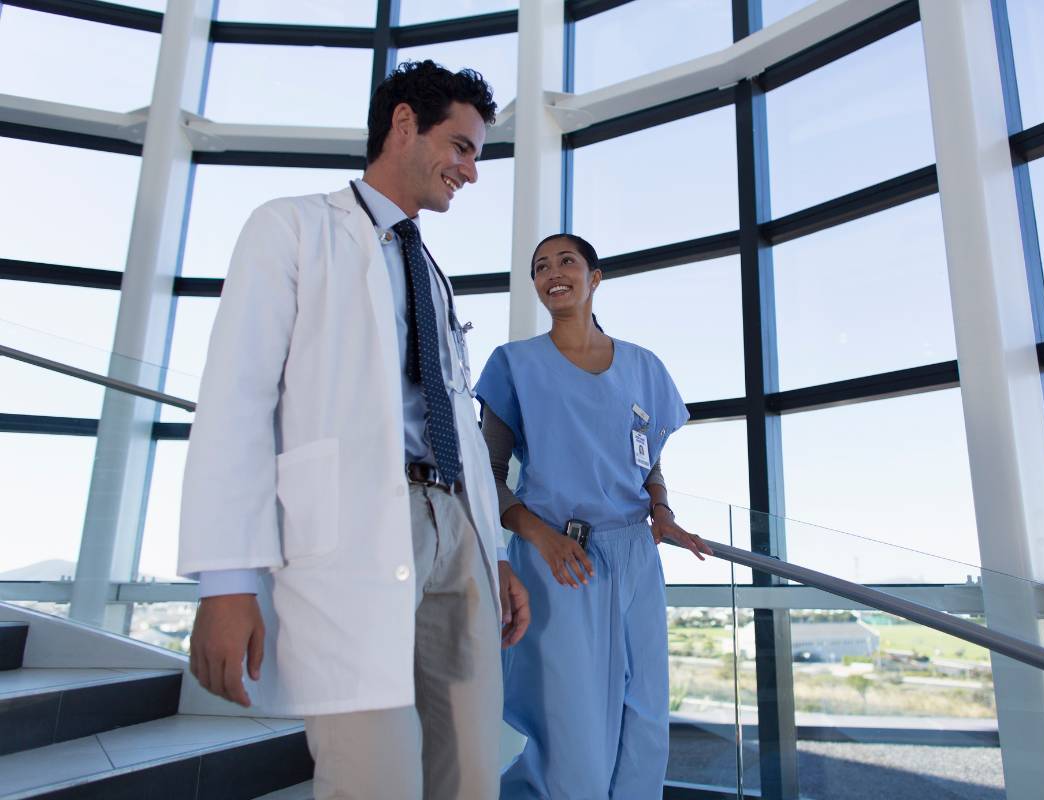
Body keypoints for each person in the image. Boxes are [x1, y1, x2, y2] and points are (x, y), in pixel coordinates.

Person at [177, 60, 530, 800]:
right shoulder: (293, 227)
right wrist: (227, 580)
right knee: (377, 778)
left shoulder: (429, 270)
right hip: (357, 528)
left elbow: (455, 420)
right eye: (462, 146)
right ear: (405, 124)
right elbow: (236, 401)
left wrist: (491, 550)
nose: (471, 170)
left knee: (470, 773)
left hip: (455, 527)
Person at [474, 233, 712, 799]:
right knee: (574, 731)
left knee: (646, 718)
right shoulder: (514, 365)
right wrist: (542, 538)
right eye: (540, 267)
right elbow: (488, 474)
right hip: (560, 560)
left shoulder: (643, 367)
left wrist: (663, 512)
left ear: (595, 276)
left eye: (566, 261)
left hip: (636, 557)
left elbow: (646, 459)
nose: (552, 273)